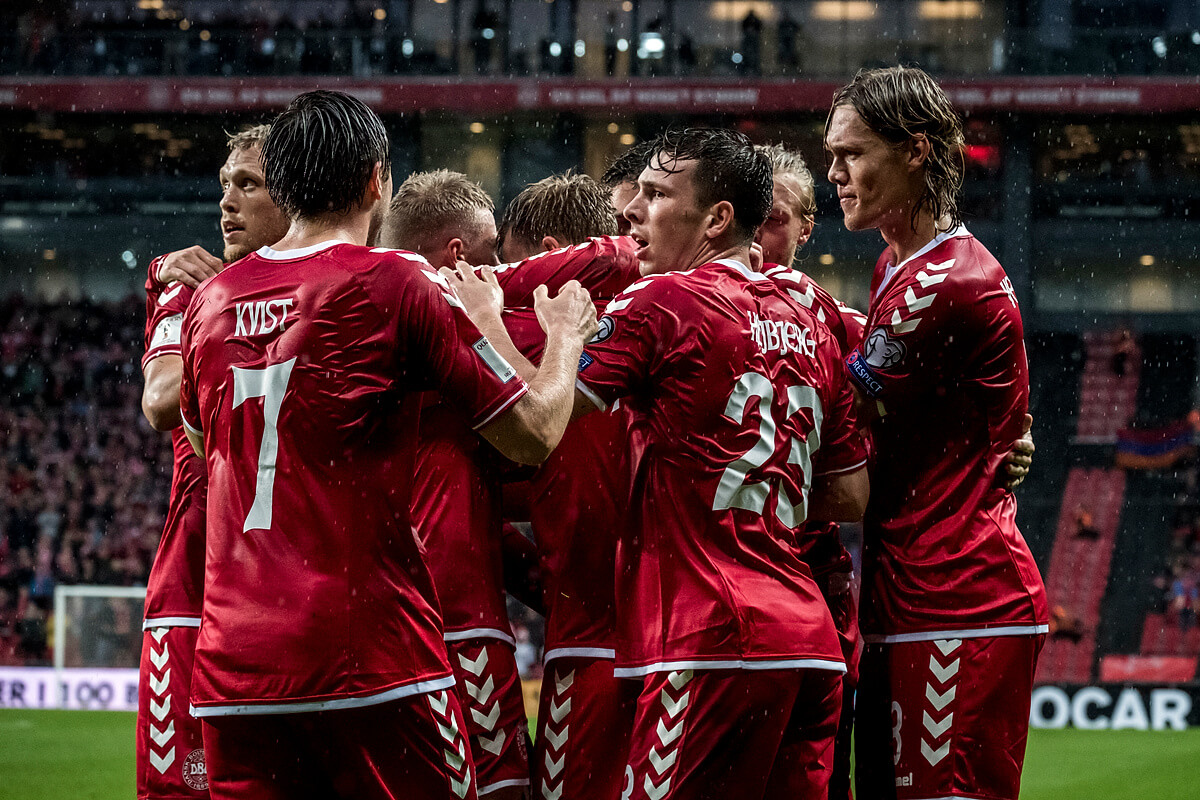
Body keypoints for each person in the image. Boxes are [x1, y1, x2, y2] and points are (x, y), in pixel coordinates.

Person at [177, 90, 596, 800]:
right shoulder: (396, 281)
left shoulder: (209, 303)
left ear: (282, 184)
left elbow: (198, 440)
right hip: (370, 657)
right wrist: (564, 340)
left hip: (232, 669)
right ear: (377, 180)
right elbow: (532, 433)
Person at [454, 128, 870, 800]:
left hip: (709, 635)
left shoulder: (662, 303)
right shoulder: (814, 311)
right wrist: (742, 479)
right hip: (809, 644)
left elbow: (540, 422)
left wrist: (496, 325)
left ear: (717, 218)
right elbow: (850, 494)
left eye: (654, 194)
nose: (633, 212)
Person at [825, 66, 1048, 800]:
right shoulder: (898, 264)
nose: (836, 174)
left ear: (916, 150)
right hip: (913, 594)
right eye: (832, 156)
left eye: (852, 154)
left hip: (959, 600)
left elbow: (841, 416)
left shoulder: (940, 283)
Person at [137, 123, 290, 800]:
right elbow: (160, 399)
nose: (226, 201)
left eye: (248, 184)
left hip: (291, 594)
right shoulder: (190, 288)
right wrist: (210, 305)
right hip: (195, 591)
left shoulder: (336, 289)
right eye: (224, 184)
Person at [379, 170, 531, 800]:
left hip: (375, 625)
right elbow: (534, 432)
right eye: (492, 253)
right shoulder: (456, 327)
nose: (499, 269)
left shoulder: (345, 317)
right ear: (458, 255)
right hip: (460, 619)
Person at [382, 170, 500, 269]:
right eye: (494, 250)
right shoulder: (498, 289)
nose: (500, 265)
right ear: (457, 255)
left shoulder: (373, 286)